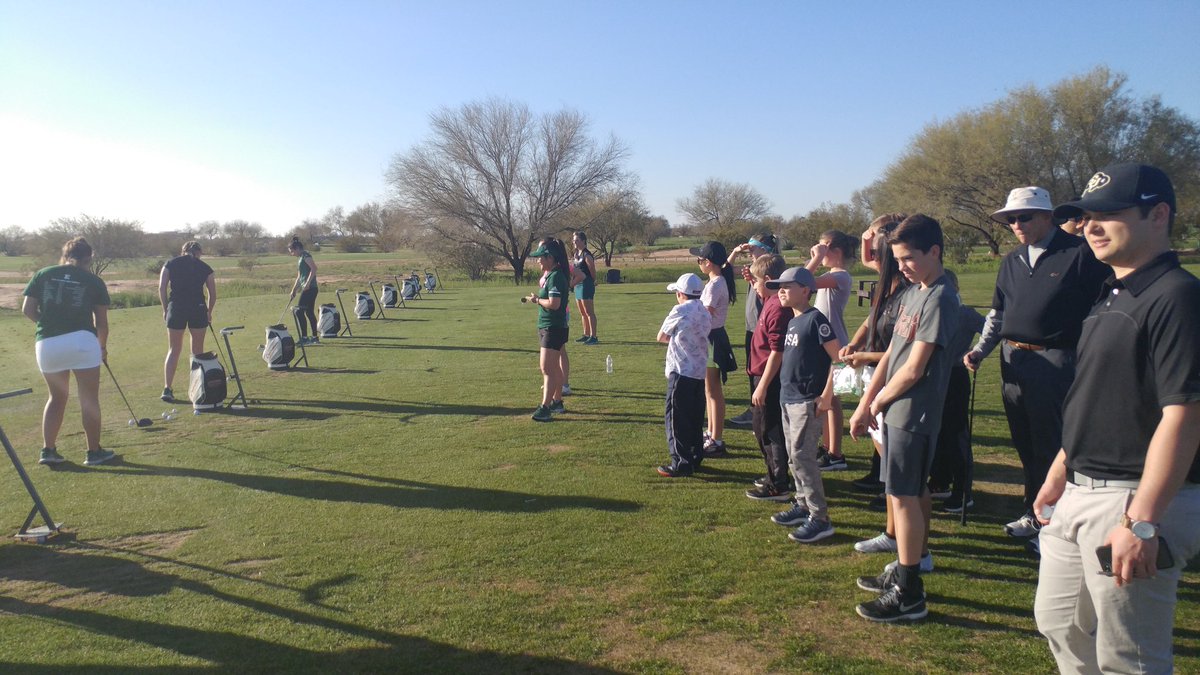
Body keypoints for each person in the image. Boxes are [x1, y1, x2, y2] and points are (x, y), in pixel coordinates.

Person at [1033, 163, 1200, 673]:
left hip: (1131, 498)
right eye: (1086, 216)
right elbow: (1097, 395)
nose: (1091, 226)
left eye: (1109, 214)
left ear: (1159, 214)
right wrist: (1061, 470)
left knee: (1129, 657)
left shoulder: (1177, 295)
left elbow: (1186, 413)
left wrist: (1142, 521)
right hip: (1081, 490)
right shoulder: (1112, 292)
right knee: (1058, 624)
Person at [963, 187, 1109, 545]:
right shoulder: (1012, 261)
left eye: (1024, 216)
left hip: (1057, 361)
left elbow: (1102, 311)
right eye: (1011, 219)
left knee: (1053, 445)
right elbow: (998, 315)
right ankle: (1035, 511)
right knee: (1025, 443)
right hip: (1013, 360)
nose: (1016, 224)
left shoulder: (1080, 254)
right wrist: (981, 349)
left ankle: (1056, 524)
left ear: (1048, 216)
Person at [849, 214, 961, 622]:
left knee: (906, 494)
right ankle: (904, 566)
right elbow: (893, 355)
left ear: (935, 251)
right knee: (901, 493)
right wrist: (867, 403)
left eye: (909, 258)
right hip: (893, 408)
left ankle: (909, 589)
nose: (902, 267)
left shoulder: (941, 296)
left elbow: (914, 369)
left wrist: (876, 404)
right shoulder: (915, 291)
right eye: (896, 259)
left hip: (914, 411)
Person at [21, 237, 116, 467]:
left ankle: (48, 450)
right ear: (88, 258)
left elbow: (28, 309)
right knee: (89, 399)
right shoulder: (94, 281)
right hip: (83, 342)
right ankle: (93, 452)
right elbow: (101, 322)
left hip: (47, 344)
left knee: (56, 397)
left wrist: (50, 326)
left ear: (65, 255)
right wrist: (101, 347)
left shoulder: (43, 274)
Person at [766, 267, 840, 543]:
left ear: (806, 290)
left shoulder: (815, 319)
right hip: (788, 398)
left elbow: (839, 358)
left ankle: (820, 517)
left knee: (803, 456)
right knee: (793, 454)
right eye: (779, 286)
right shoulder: (793, 321)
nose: (781, 291)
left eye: (788, 286)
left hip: (807, 400)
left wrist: (827, 395)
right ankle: (803, 505)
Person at [742, 253, 792, 502]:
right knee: (761, 429)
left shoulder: (778, 309)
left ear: (770, 280)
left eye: (757, 281)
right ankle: (774, 474)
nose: (754, 285)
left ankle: (779, 484)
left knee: (770, 431)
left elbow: (777, 351)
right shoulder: (770, 300)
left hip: (768, 379)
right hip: (760, 375)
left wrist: (762, 385)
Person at [805, 230, 855, 471]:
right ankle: (828, 448)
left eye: (824, 247)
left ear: (836, 251)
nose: (818, 250)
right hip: (823, 343)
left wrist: (815, 258)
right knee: (826, 399)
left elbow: (803, 280)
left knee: (832, 400)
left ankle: (835, 453)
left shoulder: (842, 276)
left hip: (835, 343)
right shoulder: (831, 275)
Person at [655, 273, 711, 477]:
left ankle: (680, 461)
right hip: (699, 371)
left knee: (676, 418)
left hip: (680, 370)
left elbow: (661, 336)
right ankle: (695, 456)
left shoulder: (679, 310)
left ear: (680, 294)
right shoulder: (705, 311)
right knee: (695, 417)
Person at [689, 241, 738, 458]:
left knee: (713, 391)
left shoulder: (715, 284)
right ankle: (710, 433)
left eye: (699, 260)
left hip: (712, 339)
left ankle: (716, 439)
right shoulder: (717, 281)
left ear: (708, 263)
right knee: (710, 391)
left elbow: (704, 315)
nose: (698, 263)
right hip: (713, 337)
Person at [726, 234, 779, 429]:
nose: (749, 252)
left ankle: (760, 411)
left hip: (764, 330)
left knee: (763, 372)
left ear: (764, 250)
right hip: (752, 329)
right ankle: (755, 409)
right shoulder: (753, 270)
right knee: (753, 372)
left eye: (752, 249)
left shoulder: (773, 270)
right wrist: (735, 252)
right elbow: (727, 270)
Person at [158, 240, 216, 402]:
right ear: (199, 252)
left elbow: (162, 288)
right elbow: (212, 294)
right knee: (197, 352)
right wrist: (209, 312)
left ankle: (167, 389)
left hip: (176, 308)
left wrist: (165, 309)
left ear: (183, 251)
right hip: (197, 308)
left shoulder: (170, 264)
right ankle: (197, 388)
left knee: (173, 350)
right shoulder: (205, 267)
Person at [526, 238, 570, 422]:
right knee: (553, 367)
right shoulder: (553, 275)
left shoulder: (556, 276)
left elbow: (554, 304)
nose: (538, 261)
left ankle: (545, 408)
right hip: (551, 326)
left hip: (553, 327)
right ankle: (557, 402)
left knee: (547, 368)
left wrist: (537, 300)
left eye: (541, 257)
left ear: (550, 257)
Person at [287, 237, 320, 346]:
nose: (292, 254)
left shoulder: (306, 255)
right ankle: (314, 338)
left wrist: (308, 283)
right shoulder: (300, 258)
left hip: (311, 288)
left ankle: (305, 338)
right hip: (307, 288)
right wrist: (294, 290)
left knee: (299, 311)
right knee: (309, 312)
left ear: (297, 248)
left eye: (292, 251)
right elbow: (299, 276)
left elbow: (314, 269)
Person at [571, 231, 599, 345]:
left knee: (589, 312)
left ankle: (593, 336)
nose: (574, 242)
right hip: (577, 285)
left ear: (583, 241)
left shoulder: (586, 255)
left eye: (577, 240)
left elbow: (592, 271)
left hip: (586, 284)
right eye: (573, 240)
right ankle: (586, 334)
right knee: (582, 312)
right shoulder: (576, 254)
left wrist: (591, 282)